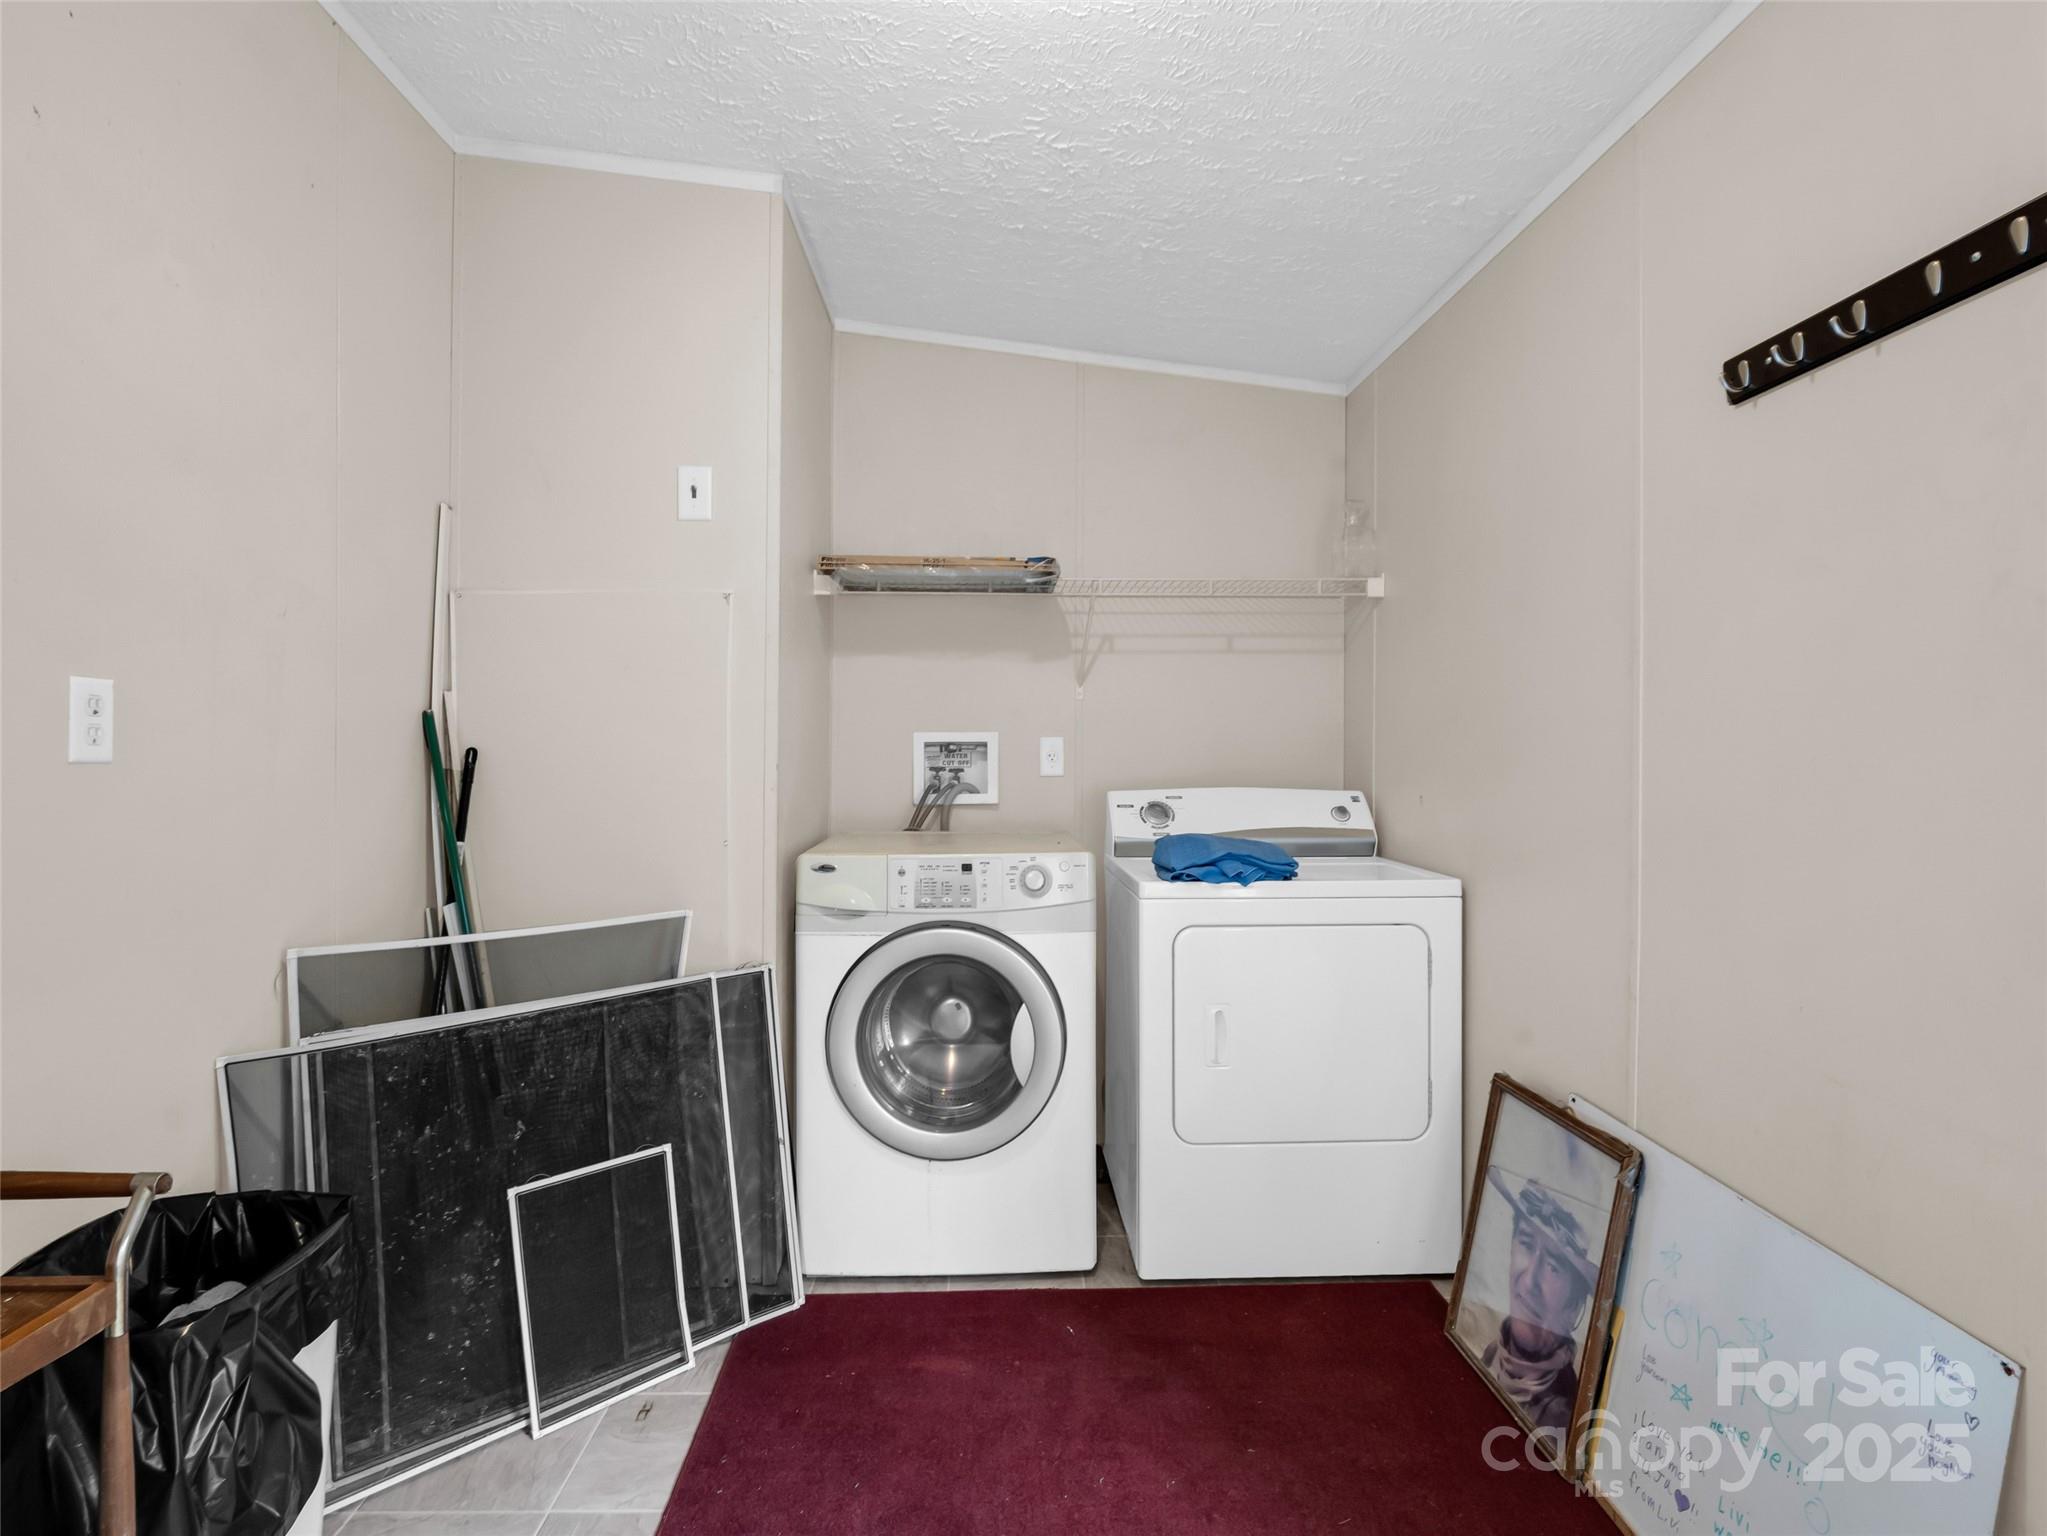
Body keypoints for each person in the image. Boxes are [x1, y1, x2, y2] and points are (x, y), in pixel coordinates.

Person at [1472, 1171, 1601, 1438]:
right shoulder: (1493, 1351)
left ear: (1575, 1304)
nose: (1529, 1280)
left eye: (1554, 1266)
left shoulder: (1561, 1417)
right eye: (1527, 1245)